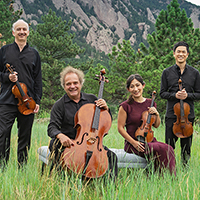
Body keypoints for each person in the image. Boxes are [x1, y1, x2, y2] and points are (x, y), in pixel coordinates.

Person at [47, 66, 118, 180]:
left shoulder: (92, 99)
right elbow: (52, 127)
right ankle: (60, 179)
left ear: (81, 83)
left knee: (112, 157)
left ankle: (110, 187)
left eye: (75, 83)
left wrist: (106, 109)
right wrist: (60, 136)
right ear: (64, 86)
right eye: (68, 84)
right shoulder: (59, 105)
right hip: (69, 142)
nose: (72, 86)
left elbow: (105, 122)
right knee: (54, 144)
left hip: (91, 141)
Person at [0, 19, 42, 168]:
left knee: (25, 136)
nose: (22, 32)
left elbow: (38, 79)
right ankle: (2, 167)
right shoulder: (4, 51)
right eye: (18, 29)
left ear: (28, 32)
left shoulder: (34, 54)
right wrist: (7, 77)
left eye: (24, 29)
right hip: (6, 100)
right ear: (13, 32)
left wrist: (37, 101)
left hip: (27, 101)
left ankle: (22, 166)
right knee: (3, 133)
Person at [118, 74, 176, 176]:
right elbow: (120, 128)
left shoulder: (151, 103)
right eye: (132, 86)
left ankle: (163, 178)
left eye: (138, 85)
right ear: (128, 89)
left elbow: (156, 125)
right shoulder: (125, 106)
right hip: (133, 143)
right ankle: (166, 178)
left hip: (149, 140)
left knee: (169, 148)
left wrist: (157, 114)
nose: (135, 89)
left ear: (143, 85)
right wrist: (134, 143)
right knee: (165, 149)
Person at [160, 41, 200, 167]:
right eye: (178, 51)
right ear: (174, 54)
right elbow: (162, 93)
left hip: (188, 117)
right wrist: (174, 95)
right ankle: (170, 170)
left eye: (183, 52)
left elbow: (199, 94)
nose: (181, 54)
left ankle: (185, 169)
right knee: (169, 146)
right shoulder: (167, 72)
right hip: (172, 115)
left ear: (187, 54)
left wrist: (188, 95)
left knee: (186, 148)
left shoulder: (195, 73)